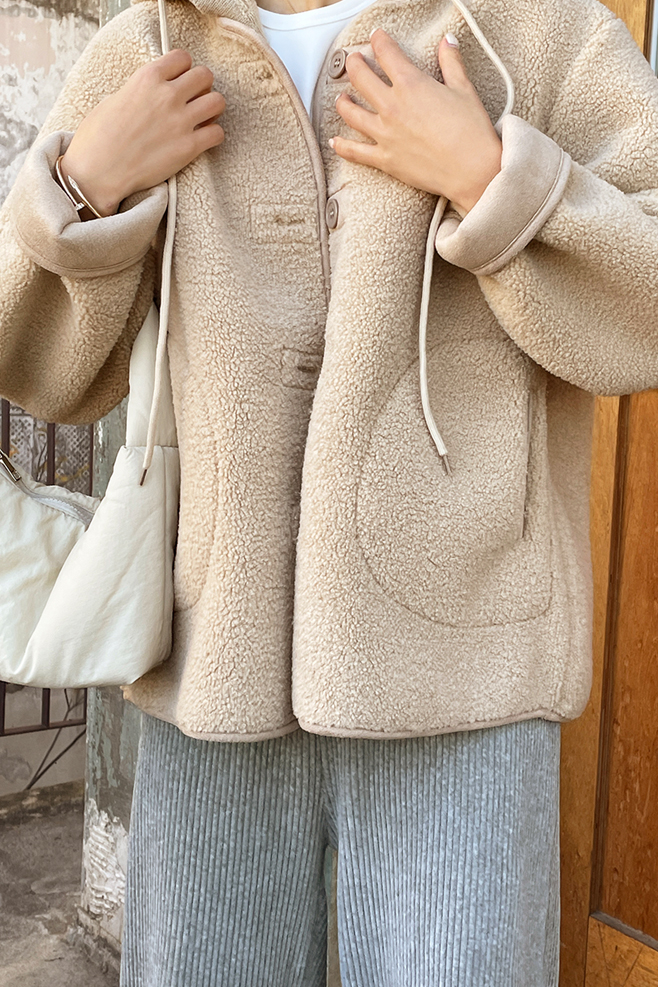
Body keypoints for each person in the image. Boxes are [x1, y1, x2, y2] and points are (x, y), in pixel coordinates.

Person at [1, 0, 658, 980]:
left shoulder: (535, 29)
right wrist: (82, 190)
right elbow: (40, 372)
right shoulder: (148, 44)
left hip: (464, 674)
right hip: (211, 664)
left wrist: (492, 180)